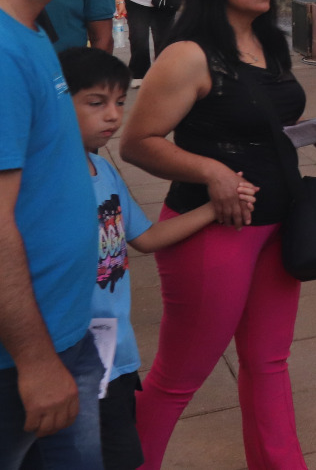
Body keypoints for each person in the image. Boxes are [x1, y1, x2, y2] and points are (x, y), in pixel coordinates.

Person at [119, 0, 316, 470]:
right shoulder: (187, 55)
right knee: (179, 377)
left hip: (280, 223)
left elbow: (261, 125)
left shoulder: (269, 42)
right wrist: (211, 171)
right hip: (213, 229)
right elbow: (137, 143)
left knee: (269, 363)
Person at [62, 47, 254, 470]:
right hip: (66, 358)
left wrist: (214, 209)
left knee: (122, 456)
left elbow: (145, 238)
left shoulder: (103, 171)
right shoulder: (42, 184)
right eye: (95, 103)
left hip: (115, 357)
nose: (113, 116)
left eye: (119, 102)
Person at [0, 0, 116, 470]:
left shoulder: (31, 32)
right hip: (23, 355)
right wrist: (35, 360)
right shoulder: (3, 51)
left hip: (63, 329)